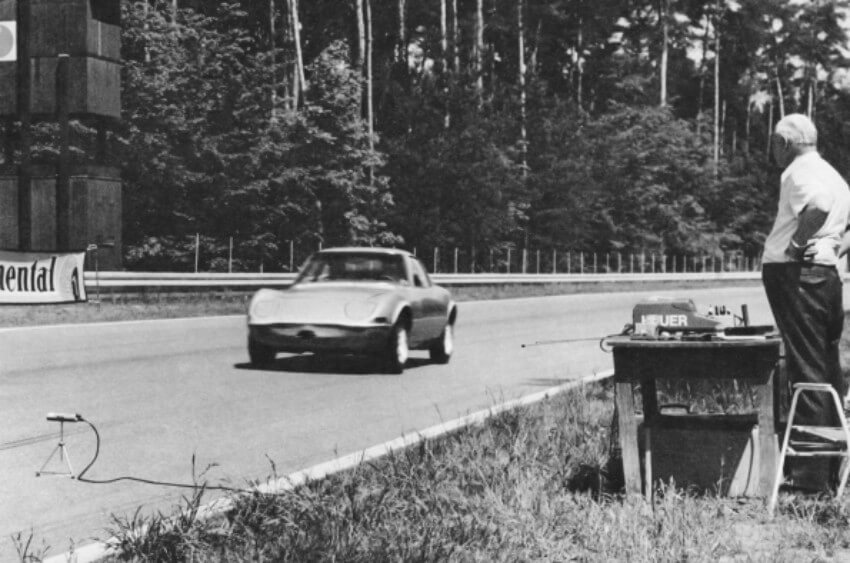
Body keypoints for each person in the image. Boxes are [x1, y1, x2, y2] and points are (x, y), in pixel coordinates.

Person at [762, 113, 850, 428]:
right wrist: (833, 248)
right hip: (826, 275)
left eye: (774, 142)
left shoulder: (798, 172)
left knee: (805, 368)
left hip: (797, 275)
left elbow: (821, 205)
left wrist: (798, 246)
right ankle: (831, 462)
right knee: (826, 366)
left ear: (783, 143)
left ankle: (808, 475)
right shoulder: (833, 174)